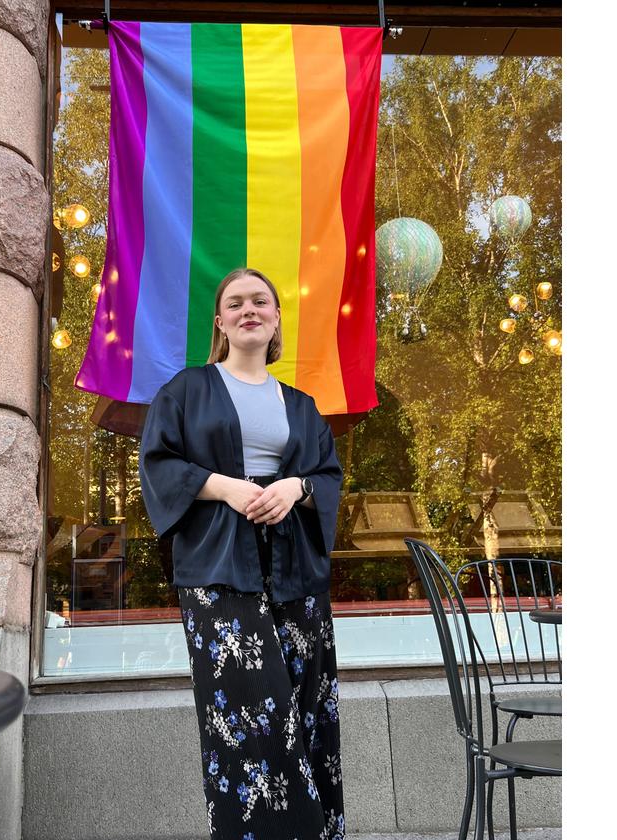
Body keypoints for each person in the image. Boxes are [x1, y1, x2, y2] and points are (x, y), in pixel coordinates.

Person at [139, 267, 346, 840]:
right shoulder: (185, 391)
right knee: (250, 719)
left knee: (307, 717)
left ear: (277, 317)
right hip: (218, 574)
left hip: (296, 576)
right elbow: (158, 466)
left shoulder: (302, 406)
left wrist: (296, 488)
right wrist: (226, 486)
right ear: (220, 321)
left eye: (261, 301)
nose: (248, 309)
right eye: (236, 303)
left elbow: (329, 476)